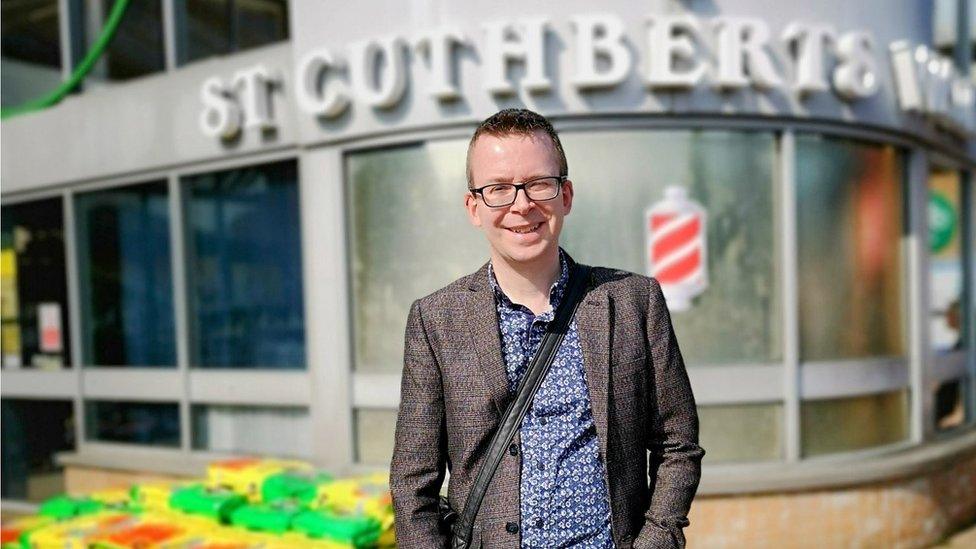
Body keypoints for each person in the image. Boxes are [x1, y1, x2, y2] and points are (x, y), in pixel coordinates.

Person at [390, 108, 704, 549]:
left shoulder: (633, 302)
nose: (522, 204)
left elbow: (678, 445)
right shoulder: (435, 321)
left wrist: (655, 539)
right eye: (498, 188)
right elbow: (411, 485)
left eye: (539, 183)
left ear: (566, 195)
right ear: (473, 207)